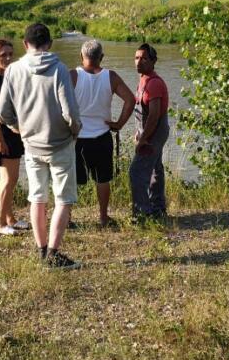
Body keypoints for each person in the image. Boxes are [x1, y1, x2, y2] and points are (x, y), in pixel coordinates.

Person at [0, 23, 82, 270]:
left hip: (31, 144)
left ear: (25, 44)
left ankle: (42, 251)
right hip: (60, 144)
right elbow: (71, 113)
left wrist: (18, 128)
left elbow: (3, 112)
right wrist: (75, 131)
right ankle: (53, 254)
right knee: (64, 200)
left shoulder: (12, 70)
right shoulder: (60, 69)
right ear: (50, 44)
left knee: (37, 198)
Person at [69, 39, 135, 228]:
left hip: (77, 138)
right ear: (102, 57)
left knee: (71, 179)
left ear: (82, 56)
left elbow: (57, 101)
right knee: (102, 179)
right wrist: (119, 124)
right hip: (102, 136)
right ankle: (103, 217)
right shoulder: (111, 76)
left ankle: (67, 217)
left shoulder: (73, 75)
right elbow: (130, 100)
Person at [0, 38, 30, 236]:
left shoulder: (7, 76)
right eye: (3, 55)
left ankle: (9, 218)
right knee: (8, 180)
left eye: (11, 54)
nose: (8, 58)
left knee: (12, 178)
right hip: (4, 136)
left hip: (13, 133)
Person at [129, 43, 169, 222]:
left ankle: (143, 213)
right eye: (137, 58)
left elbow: (153, 116)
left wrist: (143, 139)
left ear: (153, 61)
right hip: (149, 132)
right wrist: (138, 132)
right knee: (155, 169)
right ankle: (158, 208)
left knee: (136, 171)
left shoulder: (154, 84)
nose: (139, 62)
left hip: (154, 133)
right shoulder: (143, 79)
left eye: (144, 58)